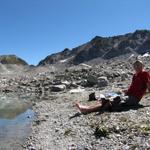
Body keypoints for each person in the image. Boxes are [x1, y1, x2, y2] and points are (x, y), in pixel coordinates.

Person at [75, 60, 150, 114]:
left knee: (112, 101)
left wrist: (139, 95)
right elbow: (135, 87)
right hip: (128, 95)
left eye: (139, 65)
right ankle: (87, 107)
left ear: (142, 66)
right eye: (135, 65)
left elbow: (148, 87)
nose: (137, 67)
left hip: (133, 98)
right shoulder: (134, 76)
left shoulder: (145, 74)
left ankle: (87, 110)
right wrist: (127, 90)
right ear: (133, 67)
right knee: (108, 96)